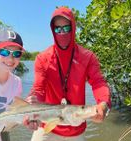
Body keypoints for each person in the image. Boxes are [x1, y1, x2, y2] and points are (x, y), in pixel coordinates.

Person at [24, 7, 111, 141]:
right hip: (47, 126)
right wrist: (31, 108)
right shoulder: (43, 58)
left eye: (66, 28)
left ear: (73, 27)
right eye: (58, 29)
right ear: (53, 31)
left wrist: (103, 103)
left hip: (76, 129)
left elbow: (98, 83)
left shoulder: (87, 57)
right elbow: (39, 89)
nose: (62, 33)